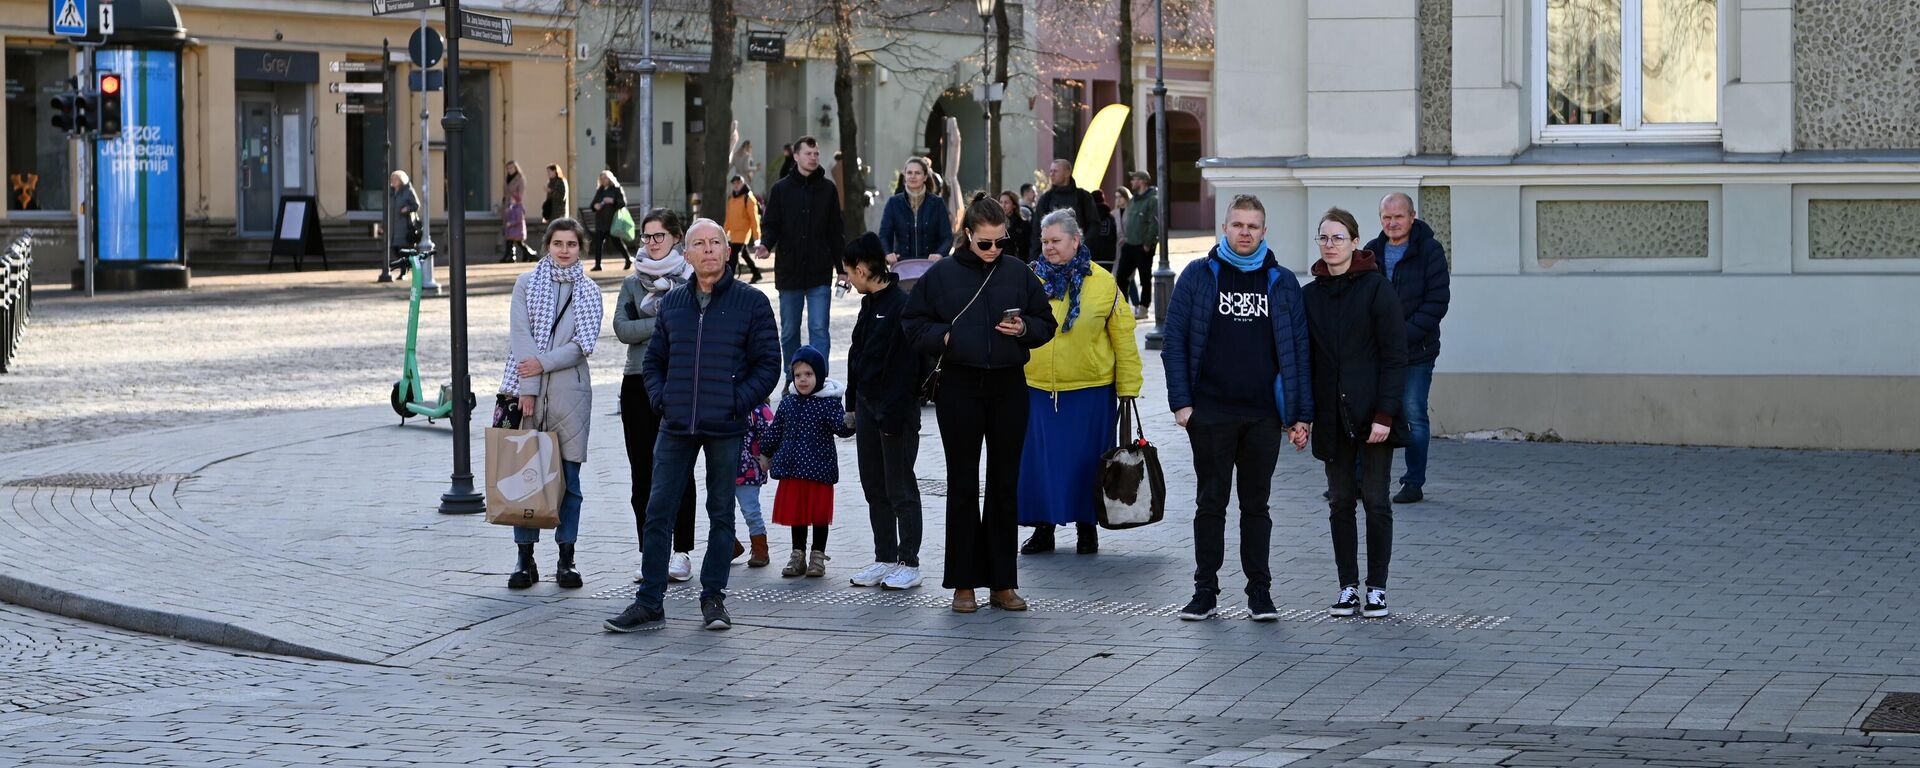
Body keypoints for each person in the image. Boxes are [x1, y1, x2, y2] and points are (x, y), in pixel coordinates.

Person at [605, 219, 782, 633]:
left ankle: (713, 598)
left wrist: (737, 402)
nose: (707, 250)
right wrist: (662, 399)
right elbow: (653, 362)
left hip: (725, 424)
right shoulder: (674, 304)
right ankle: (649, 602)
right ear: (687, 255)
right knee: (657, 511)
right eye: (698, 244)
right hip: (676, 423)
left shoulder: (752, 302)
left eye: (714, 243)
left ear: (726, 251)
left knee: (721, 513)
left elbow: (769, 365)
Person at [1162, 194, 1313, 623]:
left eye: (1253, 226)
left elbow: (1298, 352)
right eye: (1238, 225)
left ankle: (1259, 594)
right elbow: (1174, 343)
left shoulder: (1281, 282)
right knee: (1210, 504)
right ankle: (1204, 591)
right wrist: (1182, 406)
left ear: (1264, 232)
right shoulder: (1198, 276)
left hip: (1263, 416)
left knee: (1256, 507)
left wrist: (1299, 415)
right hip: (1210, 414)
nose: (1245, 232)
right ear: (1224, 228)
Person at [903, 198, 1057, 614]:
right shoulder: (941, 276)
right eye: (985, 243)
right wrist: (945, 338)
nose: (993, 250)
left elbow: (1046, 323)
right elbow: (912, 324)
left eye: (999, 242)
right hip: (960, 385)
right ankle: (963, 584)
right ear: (968, 234)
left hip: (1009, 384)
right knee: (963, 485)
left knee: (1005, 485)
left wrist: (1025, 327)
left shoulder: (1018, 273)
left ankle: (1004, 583)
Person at [1016, 210, 1143, 556]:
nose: (1049, 248)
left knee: (1088, 464)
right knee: (1042, 465)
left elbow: (1123, 338)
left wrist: (1128, 389)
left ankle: (1088, 528)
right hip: (1038, 390)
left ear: (1076, 241)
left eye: (1056, 241)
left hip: (1090, 393)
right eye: (1044, 241)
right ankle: (1044, 529)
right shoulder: (1028, 279)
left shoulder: (1103, 283)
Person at [1306, 207, 1408, 620]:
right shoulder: (1309, 294)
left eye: (1338, 238)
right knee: (1340, 502)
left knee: (1378, 502)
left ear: (1353, 242)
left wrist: (1385, 414)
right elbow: (1304, 359)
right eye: (1324, 238)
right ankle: (1347, 587)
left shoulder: (1376, 289)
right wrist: (1301, 415)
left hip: (1372, 417)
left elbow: (1394, 356)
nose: (1330, 245)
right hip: (1332, 418)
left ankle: (1377, 588)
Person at [501, 218, 603, 590]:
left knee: (570, 482)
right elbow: (521, 335)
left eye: (571, 244)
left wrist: (543, 363)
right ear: (547, 245)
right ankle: (524, 558)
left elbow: (583, 343)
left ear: (580, 248)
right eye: (558, 243)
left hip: (570, 395)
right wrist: (528, 386)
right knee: (525, 476)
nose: (564, 250)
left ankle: (566, 558)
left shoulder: (590, 291)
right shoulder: (526, 285)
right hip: (527, 393)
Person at [613, 208, 704, 585]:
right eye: (646, 237)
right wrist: (664, 320)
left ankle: (681, 551)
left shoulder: (691, 281)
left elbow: (693, 326)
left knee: (679, 469)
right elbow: (621, 328)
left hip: (679, 380)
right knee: (642, 473)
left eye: (658, 237)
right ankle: (650, 551)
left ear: (676, 239)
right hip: (636, 381)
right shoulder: (632, 284)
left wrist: (650, 325)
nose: (651, 243)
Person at [843, 232, 927, 591]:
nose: (847, 279)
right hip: (866, 407)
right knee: (874, 486)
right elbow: (856, 357)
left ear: (862, 269)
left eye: (848, 272)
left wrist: (891, 416)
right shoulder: (868, 304)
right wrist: (851, 403)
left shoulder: (901, 306)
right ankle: (884, 557)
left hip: (894, 413)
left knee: (900, 488)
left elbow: (908, 369)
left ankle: (909, 561)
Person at [1361, 192, 1450, 504]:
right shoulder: (1370, 253)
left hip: (1417, 350)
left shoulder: (1429, 250)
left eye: (1398, 217)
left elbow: (1437, 302)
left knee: (1413, 414)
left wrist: (1401, 335)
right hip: (1377, 354)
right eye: (1386, 217)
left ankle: (1413, 482)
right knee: (1366, 412)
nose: (1392, 223)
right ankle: (1360, 480)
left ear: (1412, 217)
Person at [764, 346, 857, 578]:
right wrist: (765, 452)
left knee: (818, 515)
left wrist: (851, 419)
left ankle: (817, 556)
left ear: (819, 376)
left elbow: (841, 428)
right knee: (797, 515)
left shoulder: (828, 402)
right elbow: (775, 430)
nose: (803, 380)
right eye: (798, 376)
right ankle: (797, 555)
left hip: (819, 469)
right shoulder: (788, 403)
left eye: (808, 374)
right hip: (793, 469)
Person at [757, 135, 845, 364]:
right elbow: (771, 224)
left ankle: (820, 379)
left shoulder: (828, 190)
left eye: (816, 154)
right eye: (808, 153)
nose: (813, 158)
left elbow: (836, 232)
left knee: (819, 329)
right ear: (796, 156)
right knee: (789, 332)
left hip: (820, 271)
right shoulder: (780, 189)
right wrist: (766, 244)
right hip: (790, 272)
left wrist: (842, 268)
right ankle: (792, 377)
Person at [877, 157, 953, 265]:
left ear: (925, 177)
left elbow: (947, 237)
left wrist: (940, 254)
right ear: (905, 176)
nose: (913, 176)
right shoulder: (893, 203)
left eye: (917, 173)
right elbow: (884, 235)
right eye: (909, 173)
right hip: (902, 265)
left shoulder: (937, 203)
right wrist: (888, 253)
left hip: (931, 266)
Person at [735, 399, 777, 567]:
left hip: (749, 471)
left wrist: (767, 457)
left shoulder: (758, 409)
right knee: (720, 510)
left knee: (750, 510)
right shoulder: (723, 402)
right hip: (723, 467)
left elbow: (771, 434)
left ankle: (760, 549)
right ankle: (730, 546)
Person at [1029, 159, 1099, 257]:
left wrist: (1082, 247)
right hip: (1051, 256)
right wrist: (1034, 257)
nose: (1052, 174)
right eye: (1051, 171)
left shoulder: (1083, 197)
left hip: (1079, 255)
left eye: (1055, 171)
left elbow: (1094, 225)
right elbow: (1037, 230)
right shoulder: (1046, 199)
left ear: (1067, 173)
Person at [1116, 171, 1159, 319]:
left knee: (1144, 278)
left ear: (1142, 181)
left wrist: (1148, 243)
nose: (1132, 182)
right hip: (1129, 244)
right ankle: (1123, 307)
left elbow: (1154, 223)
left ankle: (1143, 307)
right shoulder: (1134, 200)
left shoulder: (1153, 200)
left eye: (1134, 179)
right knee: (1121, 276)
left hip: (1143, 246)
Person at [589, 170, 632, 271]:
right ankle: (598, 265)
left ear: (610, 178)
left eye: (605, 178)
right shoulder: (600, 190)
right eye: (602, 178)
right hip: (600, 221)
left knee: (617, 243)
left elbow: (622, 203)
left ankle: (628, 259)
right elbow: (592, 205)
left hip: (612, 222)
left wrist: (613, 201)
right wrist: (595, 206)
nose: (604, 180)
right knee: (598, 243)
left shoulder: (616, 189)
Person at [725, 175, 764, 283]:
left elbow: (754, 220)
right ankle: (756, 274)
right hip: (733, 234)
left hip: (743, 234)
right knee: (744, 254)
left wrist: (757, 238)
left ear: (743, 183)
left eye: (738, 183)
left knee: (732, 256)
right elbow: (728, 218)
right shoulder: (731, 198)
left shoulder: (748, 198)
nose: (736, 185)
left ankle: (729, 281)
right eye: (734, 183)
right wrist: (723, 233)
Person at [387, 171, 420, 278]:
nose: (393, 181)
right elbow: (387, 211)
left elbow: (416, 205)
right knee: (394, 249)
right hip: (392, 227)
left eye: (396, 179)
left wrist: (408, 209)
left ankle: (403, 272)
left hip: (404, 226)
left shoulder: (408, 191)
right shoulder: (391, 193)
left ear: (401, 180)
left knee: (402, 250)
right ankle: (406, 267)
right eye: (392, 179)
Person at [500, 161, 531, 263]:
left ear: (516, 168)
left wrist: (515, 202)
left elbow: (520, 194)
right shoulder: (506, 178)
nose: (509, 170)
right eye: (508, 168)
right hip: (507, 206)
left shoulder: (519, 179)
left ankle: (513, 255)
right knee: (510, 234)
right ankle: (512, 255)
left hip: (515, 207)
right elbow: (505, 193)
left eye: (511, 168)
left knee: (515, 235)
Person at [1086, 189, 1117, 272]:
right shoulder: (1110, 217)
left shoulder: (1089, 217)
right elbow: (1114, 236)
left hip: (1092, 256)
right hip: (1108, 257)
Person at [998, 191, 1032, 262]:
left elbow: (1029, 247)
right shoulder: (995, 223)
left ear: (1014, 205)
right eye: (1001, 202)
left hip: (1018, 262)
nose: (1003, 205)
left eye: (1006, 202)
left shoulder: (1024, 224)